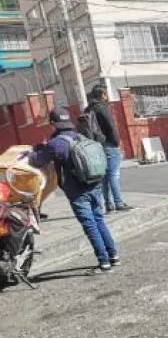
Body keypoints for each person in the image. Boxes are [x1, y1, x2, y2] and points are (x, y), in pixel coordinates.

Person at [29, 108, 119, 275]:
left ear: (53, 123)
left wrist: (32, 152)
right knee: (99, 220)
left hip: (78, 192)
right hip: (94, 185)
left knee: (90, 225)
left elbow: (37, 161)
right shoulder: (80, 136)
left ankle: (104, 262)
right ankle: (113, 255)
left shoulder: (56, 144)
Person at [86, 85, 132, 213]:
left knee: (105, 175)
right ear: (101, 95)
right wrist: (116, 141)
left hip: (96, 146)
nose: (107, 97)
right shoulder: (102, 108)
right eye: (105, 94)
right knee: (113, 174)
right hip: (108, 144)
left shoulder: (88, 109)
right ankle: (118, 202)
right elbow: (110, 126)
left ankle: (108, 204)